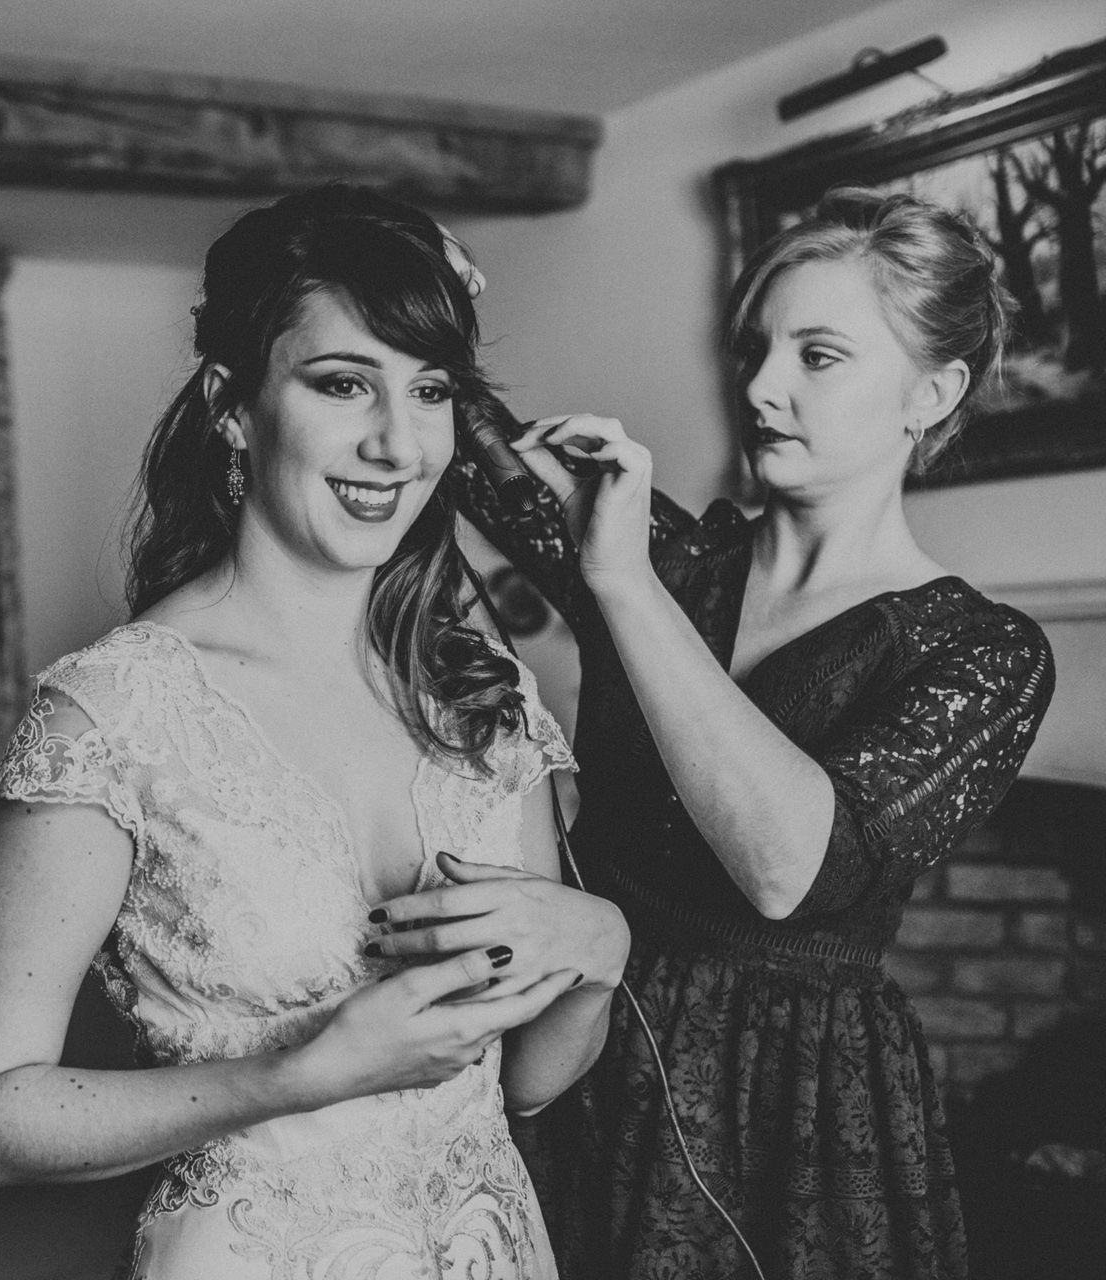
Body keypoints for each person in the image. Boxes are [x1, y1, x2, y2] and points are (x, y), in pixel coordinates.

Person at [0, 183, 631, 1279]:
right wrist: (299, 1073)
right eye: (344, 382)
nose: (398, 443)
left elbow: (528, 1076)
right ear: (234, 403)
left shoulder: (484, 693)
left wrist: (600, 948)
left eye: (431, 390)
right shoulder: (116, 711)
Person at [411, 188, 1055, 1278]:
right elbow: (461, 435)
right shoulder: (678, 559)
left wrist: (619, 579)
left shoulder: (982, 656)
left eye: (820, 355)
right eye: (758, 349)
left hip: (783, 1102)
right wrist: (419, 288)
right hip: (570, 1020)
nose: (761, 387)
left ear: (931, 391)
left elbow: (785, 870)